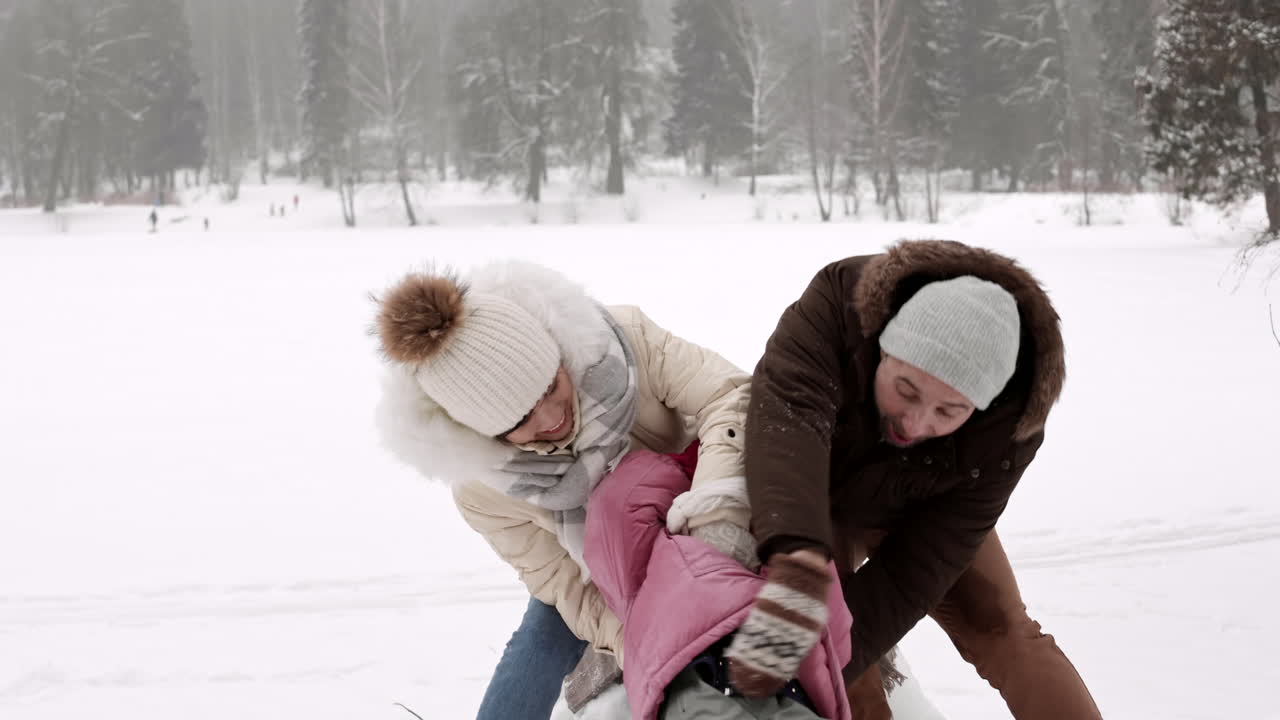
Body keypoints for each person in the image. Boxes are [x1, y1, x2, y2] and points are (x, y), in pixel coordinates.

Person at [726, 239, 1100, 720]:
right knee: (826, 625)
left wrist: (832, 655)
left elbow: (917, 568)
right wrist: (797, 553)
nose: (917, 423)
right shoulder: (837, 307)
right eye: (906, 390)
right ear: (882, 347)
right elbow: (788, 420)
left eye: (950, 411)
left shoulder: (1009, 429)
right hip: (812, 485)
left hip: (921, 507)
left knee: (1001, 628)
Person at [373, 260, 757, 719]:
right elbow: (562, 582)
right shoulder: (483, 490)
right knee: (543, 634)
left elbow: (733, 396)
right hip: (602, 564)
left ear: (558, 352)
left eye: (550, 385)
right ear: (483, 435)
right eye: (518, 422)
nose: (550, 418)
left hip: (701, 498)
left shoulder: (622, 342)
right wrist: (642, 635)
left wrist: (714, 523)